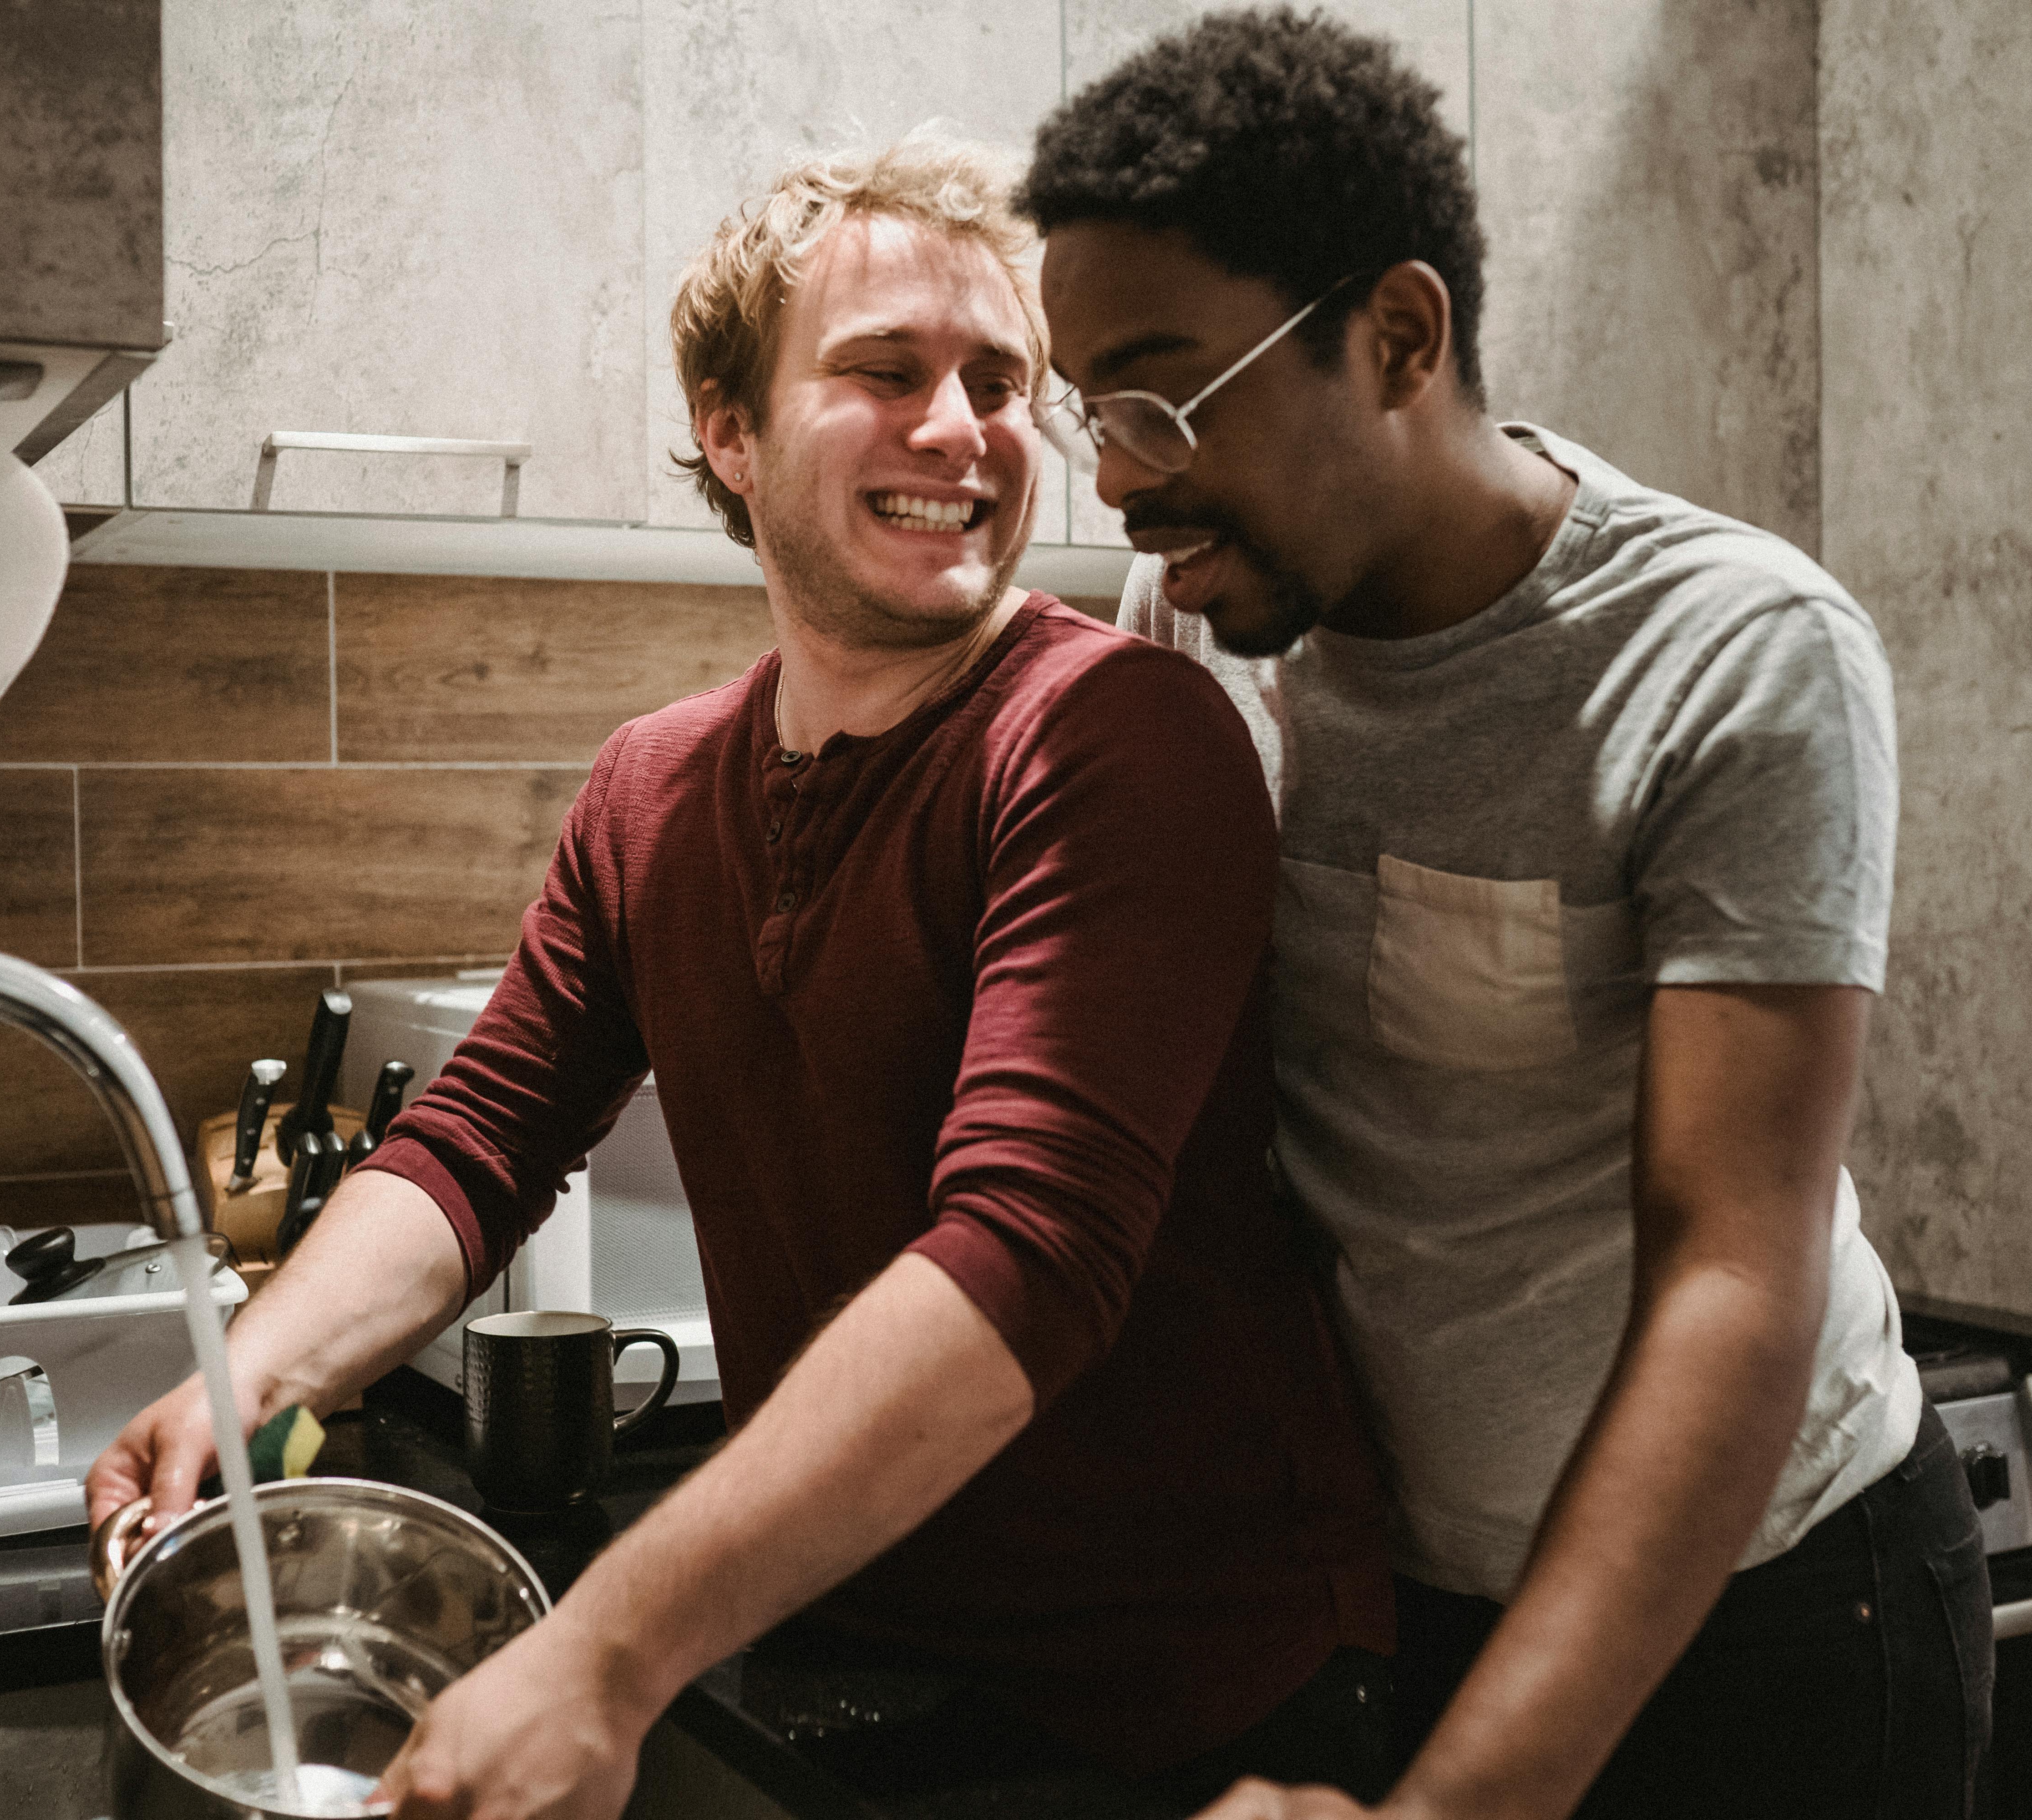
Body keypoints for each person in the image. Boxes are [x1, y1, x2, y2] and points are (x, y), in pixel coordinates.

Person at [86, 136, 1397, 1819]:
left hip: (1189, 1701)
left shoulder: (1112, 739)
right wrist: (252, 1368)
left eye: (1003, 382)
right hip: (844, 1643)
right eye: (885, 372)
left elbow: (1030, 1252)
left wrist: (605, 1657)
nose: (961, 429)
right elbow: (478, 1141)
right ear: (730, 427)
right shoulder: (653, 788)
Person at [1019, 12, 1991, 1819]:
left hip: (1772, 1613)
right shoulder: (1211, 639)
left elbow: (1735, 1269)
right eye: (1091, 410)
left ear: (1398, 336)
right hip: (1427, 1595)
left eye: (1159, 399)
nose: (1118, 478)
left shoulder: (1731, 653)